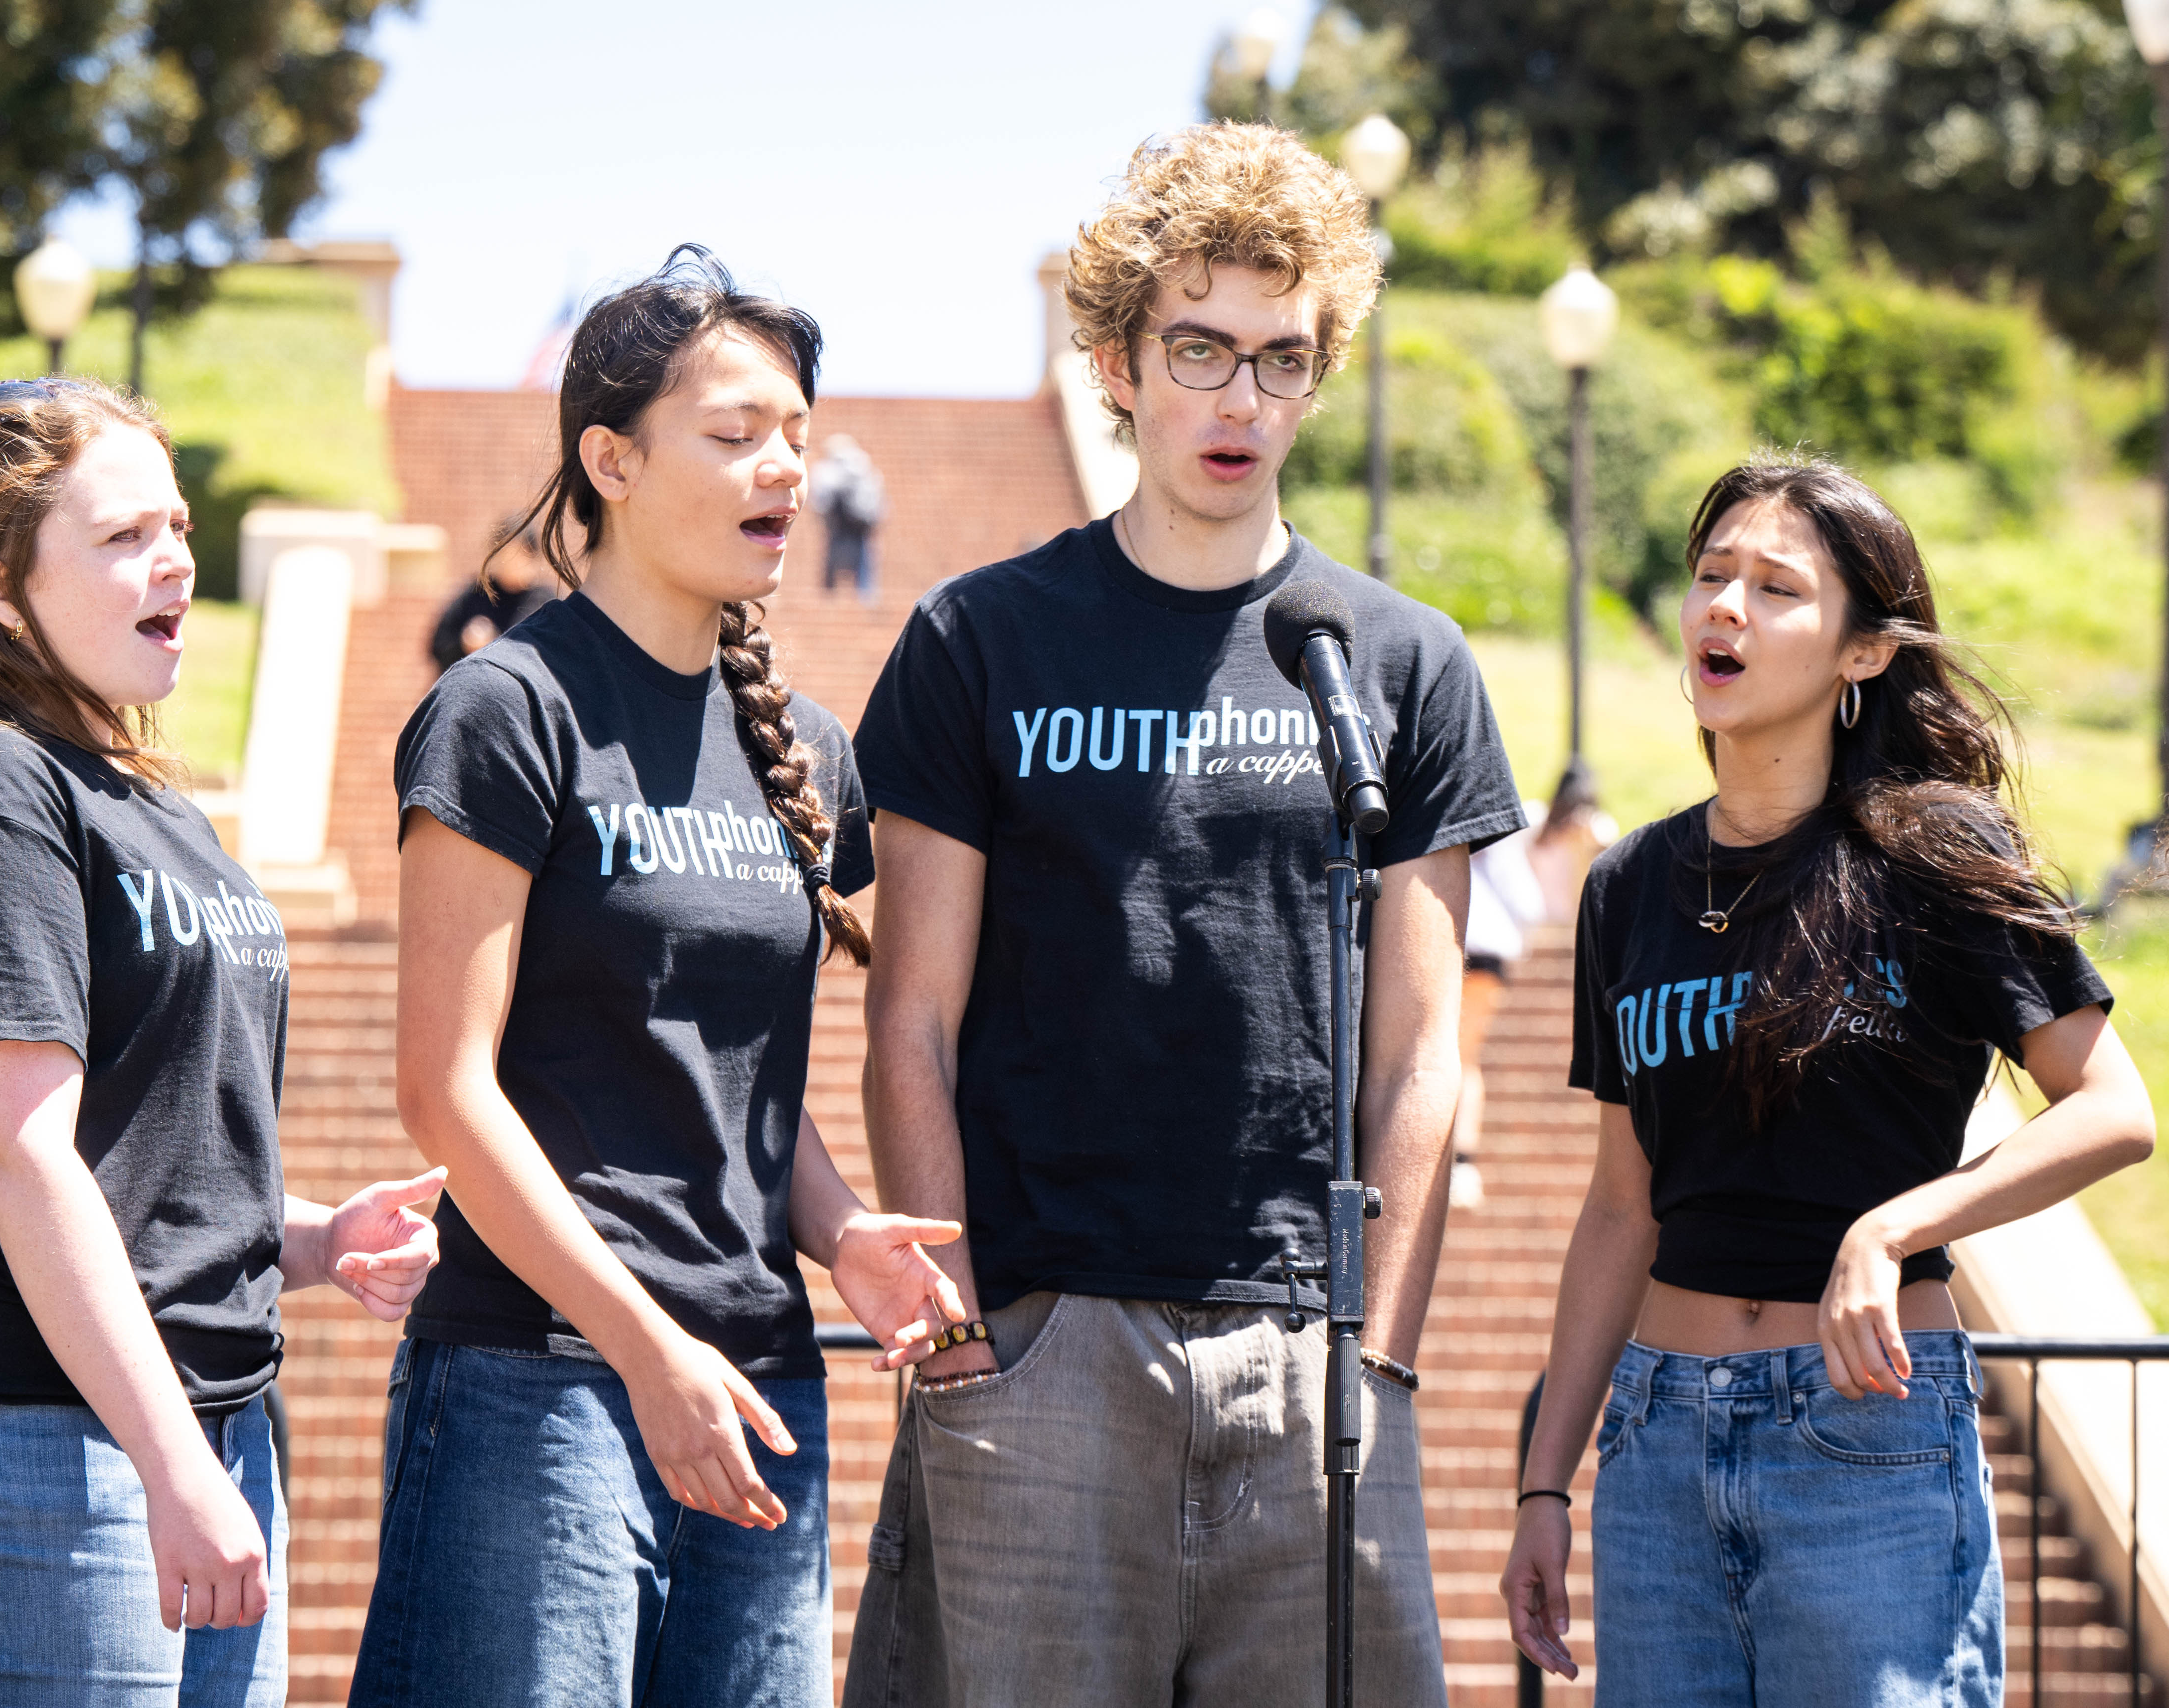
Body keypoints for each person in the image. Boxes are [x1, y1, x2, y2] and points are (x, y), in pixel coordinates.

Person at [844, 123, 1526, 1708]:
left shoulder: (1400, 662)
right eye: (1200, 348)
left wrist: (1388, 1353)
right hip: (1044, 1328)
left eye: (1282, 359)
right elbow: (909, 1017)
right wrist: (962, 1338)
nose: (1242, 401)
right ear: (1116, 361)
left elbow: (1427, 1050)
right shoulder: (978, 638)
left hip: (1313, 1337)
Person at [348, 247, 967, 1708]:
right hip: (543, 1378)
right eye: (738, 433)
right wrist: (646, 1347)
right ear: (611, 458)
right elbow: (444, 1088)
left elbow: (746, 1096)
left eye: (800, 440)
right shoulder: (508, 709)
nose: (784, 472)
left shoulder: (808, 746)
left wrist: (842, 1233)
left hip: (759, 1386)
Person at [0, 376, 447, 1707]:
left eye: (179, 528)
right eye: (121, 537)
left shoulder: (153, 810)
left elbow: (137, 1144)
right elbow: (26, 1152)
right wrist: (171, 1466)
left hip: (192, 1428)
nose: (174, 564)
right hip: (34, 1433)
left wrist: (314, 1238)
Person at [1500, 455, 2156, 1705]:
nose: (1723, 609)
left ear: (1860, 651)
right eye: (1708, 577)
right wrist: (1546, 1482)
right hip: (1654, 1447)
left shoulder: (1932, 853)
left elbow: (2115, 1110)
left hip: (1863, 1433)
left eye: (1773, 587)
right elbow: (1615, 1210)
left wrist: (1895, 1223)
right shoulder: (1627, 887)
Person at [1452, 809, 1549, 1210]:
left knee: (1455, 1054)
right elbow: (1526, 902)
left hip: (1456, 942)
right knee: (1462, 1056)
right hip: (1483, 947)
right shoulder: (1493, 825)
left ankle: (1459, 1162)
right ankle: (1460, 1164)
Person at [426, 515, 556, 670]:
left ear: (532, 557)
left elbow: (548, 654)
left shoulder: (544, 602)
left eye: (518, 555)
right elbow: (438, 646)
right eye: (505, 554)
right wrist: (464, 644)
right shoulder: (477, 593)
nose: (510, 563)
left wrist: (493, 644)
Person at [811, 432, 885, 600]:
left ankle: (829, 598)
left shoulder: (829, 469)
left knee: (833, 563)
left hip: (839, 525)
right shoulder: (864, 466)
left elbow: (821, 500)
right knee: (863, 564)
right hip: (862, 525)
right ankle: (866, 599)